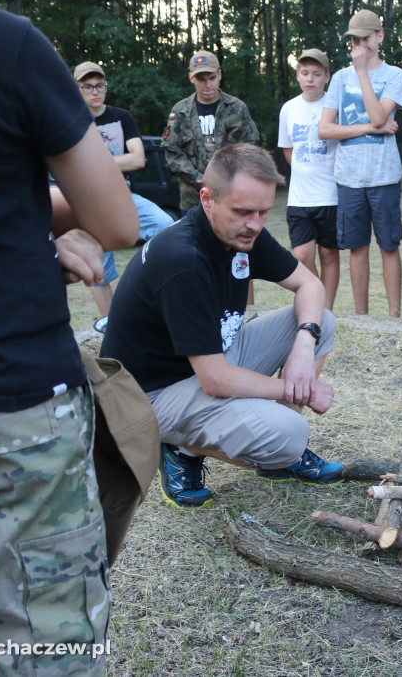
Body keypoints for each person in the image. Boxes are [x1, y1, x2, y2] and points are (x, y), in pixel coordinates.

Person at [0, 0, 139, 674]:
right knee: (47, 651)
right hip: (11, 412)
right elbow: (117, 222)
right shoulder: (3, 45)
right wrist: (16, 221)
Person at [100, 144, 342, 509]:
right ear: (207, 199)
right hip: (147, 396)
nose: (255, 224)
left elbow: (310, 285)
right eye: (243, 211)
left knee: (320, 320)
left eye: (263, 211)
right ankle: (179, 445)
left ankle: (275, 457)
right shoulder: (183, 260)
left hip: (209, 362)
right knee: (291, 434)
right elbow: (216, 379)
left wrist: (303, 349)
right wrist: (298, 390)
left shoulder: (243, 234)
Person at [318, 10, 402, 317]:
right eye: (354, 39)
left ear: (379, 37)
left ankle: (394, 317)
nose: (358, 45)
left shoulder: (394, 75)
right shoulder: (340, 78)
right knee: (357, 248)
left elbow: (381, 115)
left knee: (389, 245)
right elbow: (325, 129)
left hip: (384, 177)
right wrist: (370, 128)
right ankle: (362, 317)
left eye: (364, 38)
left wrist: (362, 74)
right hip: (349, 179)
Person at [74, 61, 175, 330]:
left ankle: (156, 292)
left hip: (123, 195)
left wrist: (96, 161)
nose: (95, 91)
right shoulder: (70, 119)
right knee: (98, 265)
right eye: (88, 86)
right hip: (88, 201)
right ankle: (111, 324)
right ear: (77, 88)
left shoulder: (121, 117)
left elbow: (138, 159)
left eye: (99, 85)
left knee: (167, 228)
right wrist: (116, 160)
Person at [277, 48, 341, 310]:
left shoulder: (335, 107)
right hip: (299, 197)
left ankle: (326, 310)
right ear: (298, 75)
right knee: (301, 256)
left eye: (316, 74)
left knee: (328, 254)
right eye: (305, 73)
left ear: (327, 76)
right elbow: (287, 148)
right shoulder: (289, 109)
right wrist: (305, 167)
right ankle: (315, 303)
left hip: (331, 195)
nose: (310, 79)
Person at [163, 50, 259, 213]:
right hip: (193, 198)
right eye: (201, 79)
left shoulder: (236, 107)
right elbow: (172, 151)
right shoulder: (181, 111)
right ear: (191, 78)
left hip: (231, 194)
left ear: (219, 75)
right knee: (194, 238)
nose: (207, 85)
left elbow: (251, 146)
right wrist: (199, 178)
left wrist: (227, 176)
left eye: (212, 78)